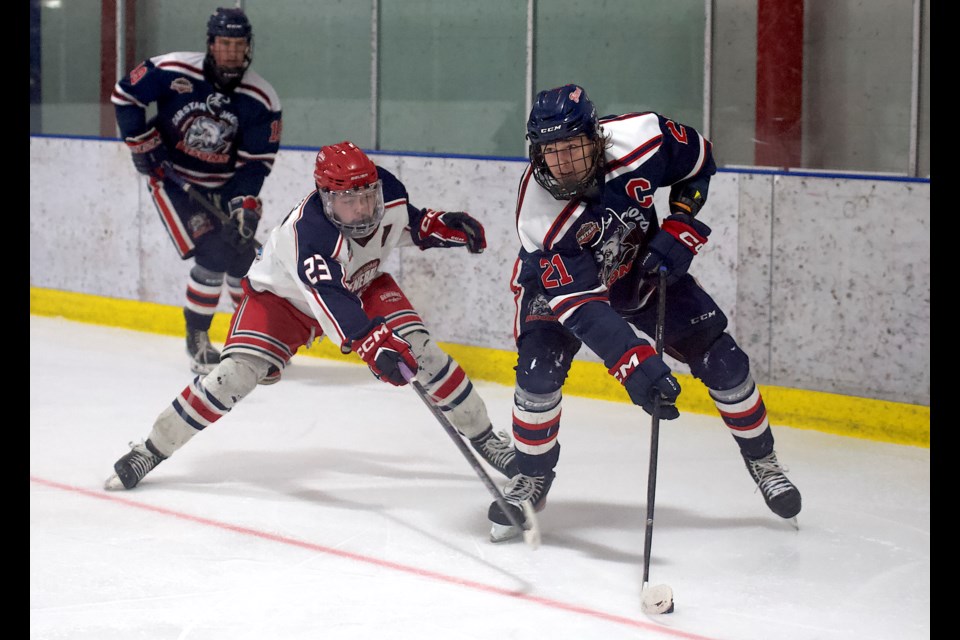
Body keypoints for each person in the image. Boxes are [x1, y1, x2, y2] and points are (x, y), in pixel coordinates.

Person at [104, 140, 518, 490]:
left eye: (366, 196)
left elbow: (401, 223)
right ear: (325, 197)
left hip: (361, 282)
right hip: (282, 301)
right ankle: (152, 448)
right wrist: (373, 343)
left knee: (424, 353)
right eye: (348, 201)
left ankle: (484, 436)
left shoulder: (387, 190)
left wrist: (438, 226)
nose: (362, 209)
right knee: (234, 377)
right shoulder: (312, 234)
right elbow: (330, 299)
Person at [487, 84, 802, 542]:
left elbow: (699, 164)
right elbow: (581, 305)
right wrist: (633, 363)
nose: (565, 163)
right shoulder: (539, 213)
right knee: (538, 373)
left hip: (641, 271)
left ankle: (764, 461)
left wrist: (681, 222)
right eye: (553, 152)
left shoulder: (645, 137)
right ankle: (532, 478)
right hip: (558, 289)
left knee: (724, 360)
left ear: (595, 136)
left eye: (574, 147)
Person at [111, 7, 282, 375]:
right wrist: (141, 142)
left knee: (242, 258)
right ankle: (198, 338)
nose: (232, 52)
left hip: (223, 185)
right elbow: (126, 95)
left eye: (238, 45)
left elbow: (255, 164)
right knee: (213, 250)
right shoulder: (173, 69)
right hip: (171, 180)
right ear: (210, 44)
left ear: (248, 47)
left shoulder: (261, 98)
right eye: (224, 43)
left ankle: (249, 340)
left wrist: (244, 207)